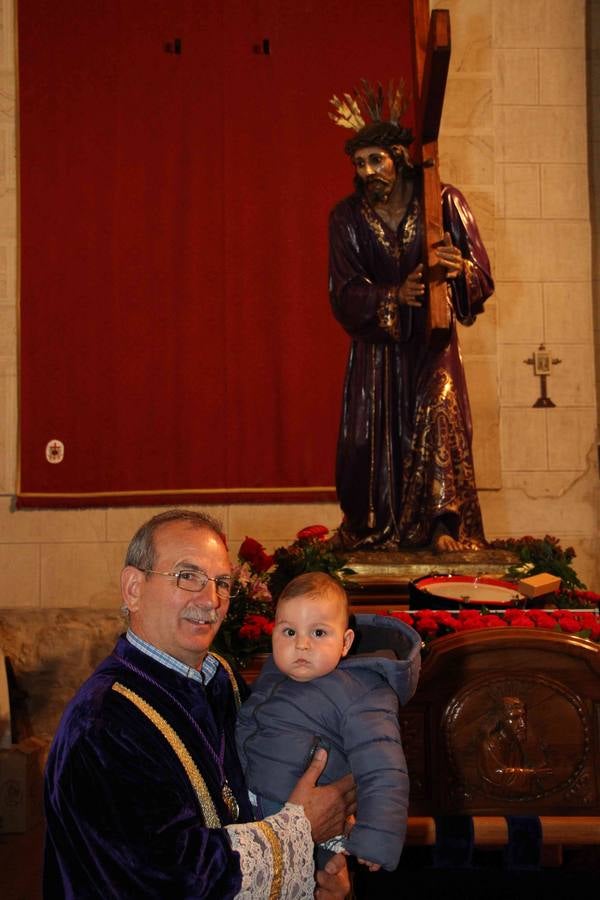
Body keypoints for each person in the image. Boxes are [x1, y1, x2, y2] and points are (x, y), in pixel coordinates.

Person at [43, 509, 354, 899]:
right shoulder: (102, 723)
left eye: (221, 582)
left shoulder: (220, 678)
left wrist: (319, 872)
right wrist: (302, 830)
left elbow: (271, 787)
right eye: (187, 576)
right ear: (133, 588)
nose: (211, 600)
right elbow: (167, 877)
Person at [328, 114, 494, 553]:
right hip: (377, 350)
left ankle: (443, 525)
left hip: (431, 341)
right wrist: (393, 295)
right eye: (360, 164)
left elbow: (481, 273)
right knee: (370, 441)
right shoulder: (346, 217)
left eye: (375, 161)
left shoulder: (443, 202)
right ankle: (373, 529)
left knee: (439, 413)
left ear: (399, 159)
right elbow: (342, 292)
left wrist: (462, 271)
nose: (366, 173)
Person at [235, 572, 421, 873]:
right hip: (255, 816)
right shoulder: (272, 677)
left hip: (315, 829)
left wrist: (378, 837)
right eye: (289, 632)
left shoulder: (362, 692)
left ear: (345, 642)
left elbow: (384, 768)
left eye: (318, 633)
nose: (302, 645)